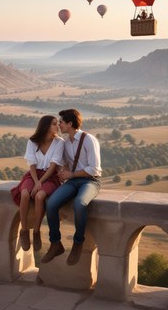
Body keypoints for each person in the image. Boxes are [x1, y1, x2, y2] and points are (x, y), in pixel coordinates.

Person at [41, 109, 102, 266]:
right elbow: (64, 164)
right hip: (73, 181)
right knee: (51, 204)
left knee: (79, 204)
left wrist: (71, 175)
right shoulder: (66, 143)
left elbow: (94, 168)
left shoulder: (89, 140)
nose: (59, 124)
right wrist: (62, 171)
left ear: (70, 123)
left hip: (90, 181)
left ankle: (77, 243)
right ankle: (56, 244)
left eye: (61, 122)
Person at [11, 115, 64, 252]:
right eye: (54, 124)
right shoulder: (32, 141)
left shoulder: (59, 142)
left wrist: (40, 183)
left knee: (40, 196)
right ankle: (24, 231)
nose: (57, 126)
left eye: (57, 123)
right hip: (33, 175)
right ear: (46, 126)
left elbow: (53, 166)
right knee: (24, 194)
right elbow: (32, 165)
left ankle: (36, 232)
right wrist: (35, 181)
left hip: (50, 177)